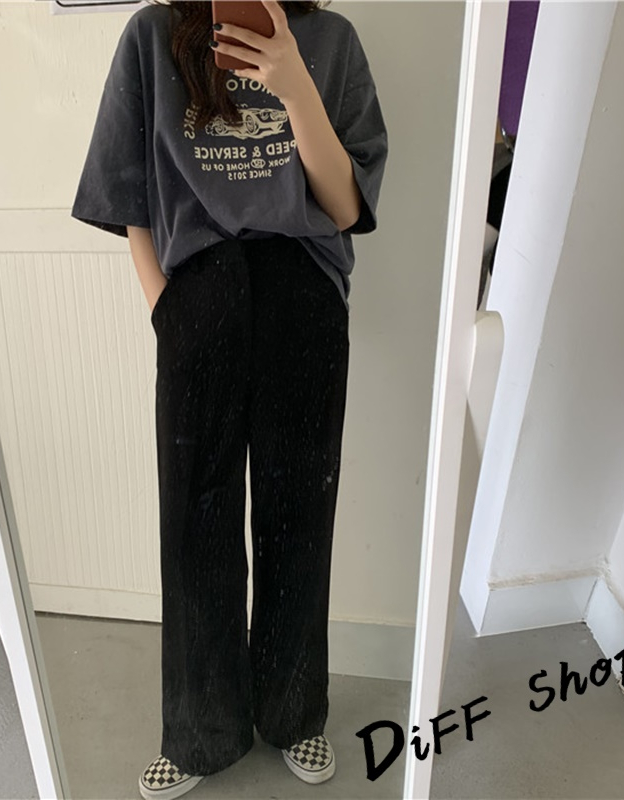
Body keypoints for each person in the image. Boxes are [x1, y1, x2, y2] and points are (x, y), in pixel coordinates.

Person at [71, 1, 387, 797]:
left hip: (302, 293)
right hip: (199, 295)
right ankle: (199, 734)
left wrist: (294, 86)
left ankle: (294, 714)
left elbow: (347, 208)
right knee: (194, 521)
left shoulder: (331, 41)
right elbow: (128, 194)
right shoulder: (153, 37)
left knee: (300, 511)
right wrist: (166, 309)